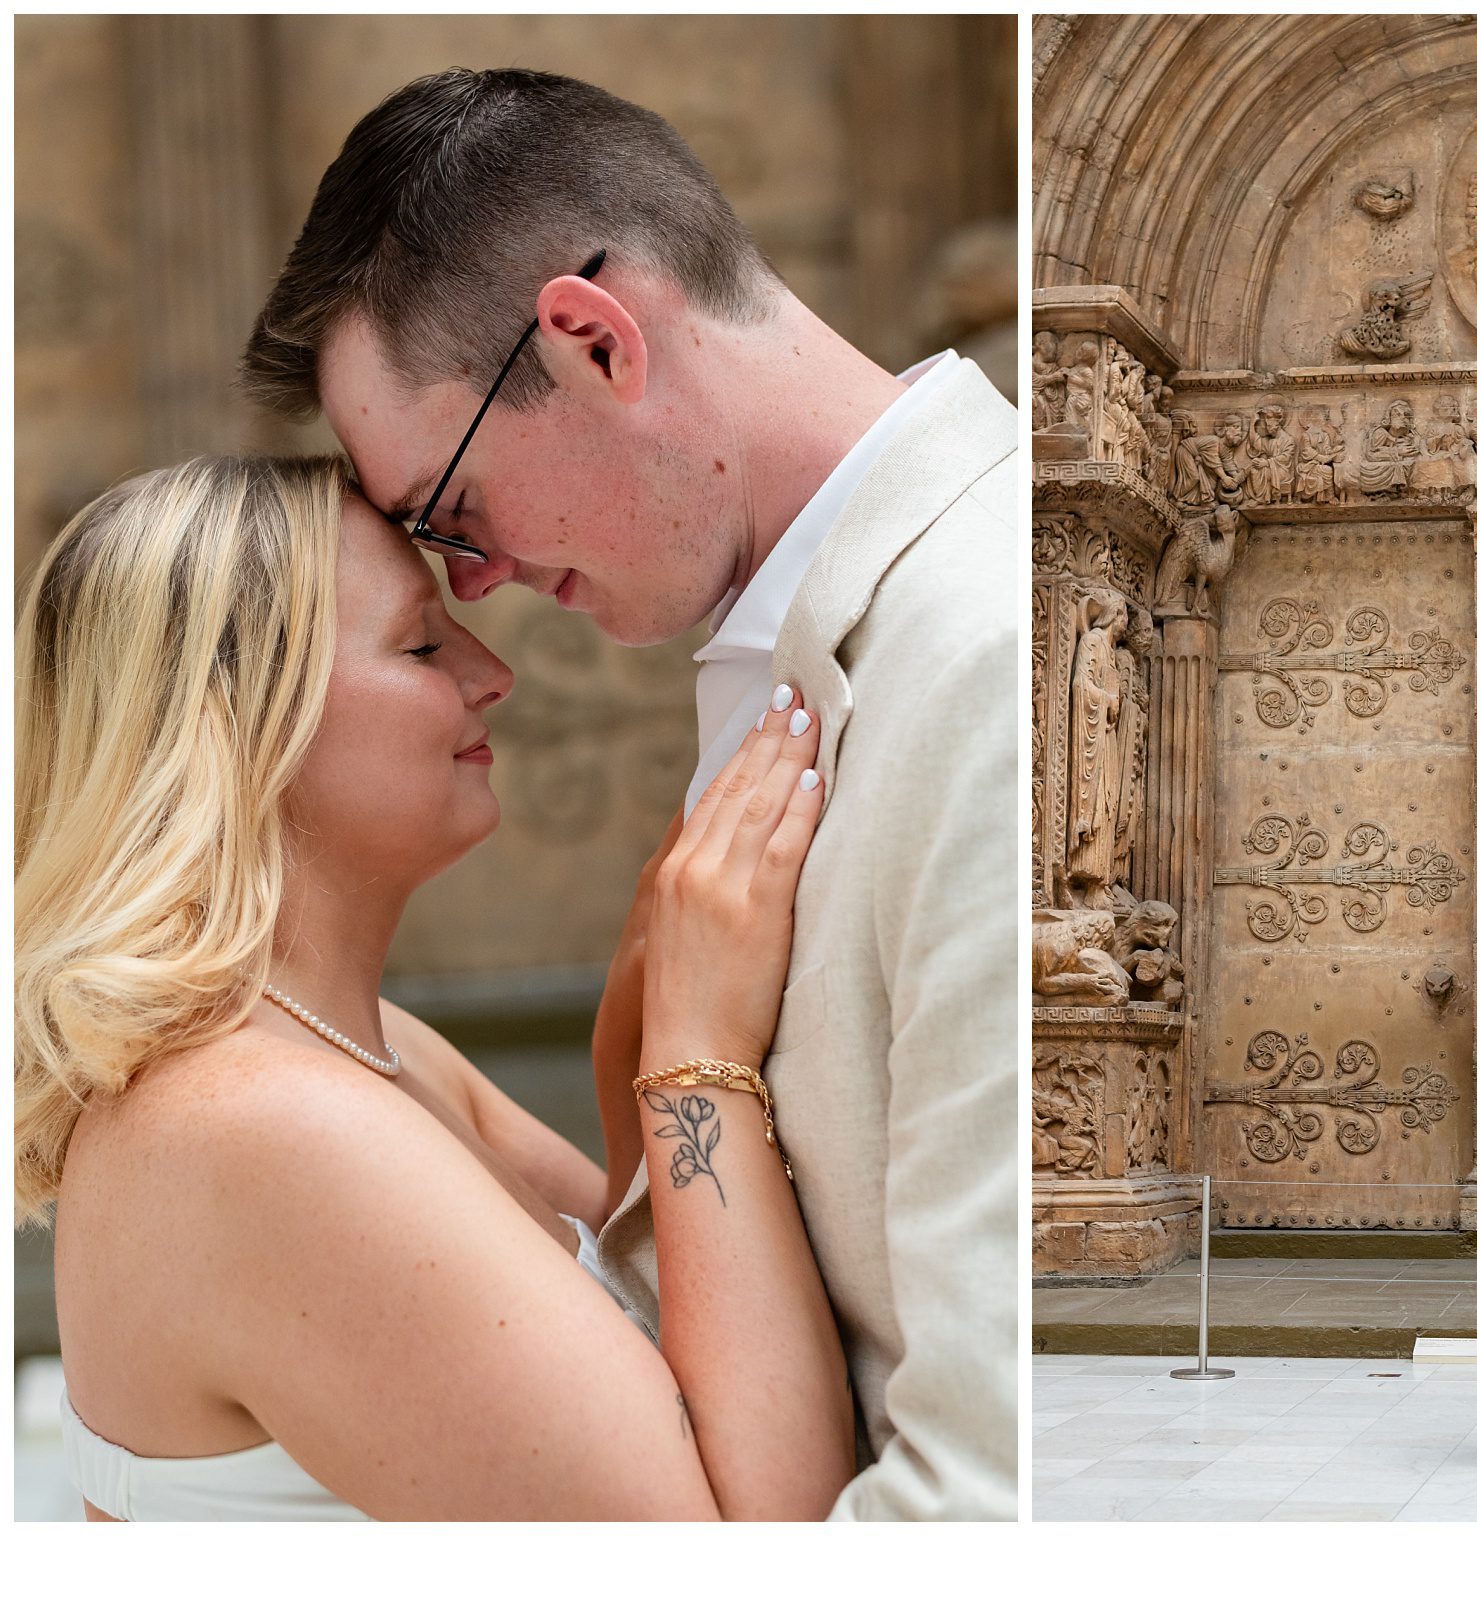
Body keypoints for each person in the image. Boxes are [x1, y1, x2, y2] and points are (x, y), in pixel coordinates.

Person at [240, 67, 1017, 1520]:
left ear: (594, 343)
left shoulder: (986, 656)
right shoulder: (797, 634)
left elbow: (977, 1500)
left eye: (451, 514)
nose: (474, 590)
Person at [16, 458, 849, 1519]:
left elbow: (660, 1306)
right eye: (418, 642)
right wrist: (695, 1051)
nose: (490, 670)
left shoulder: (370, 1048)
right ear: (236, 724)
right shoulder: (261, 1123)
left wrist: (634, 1042)